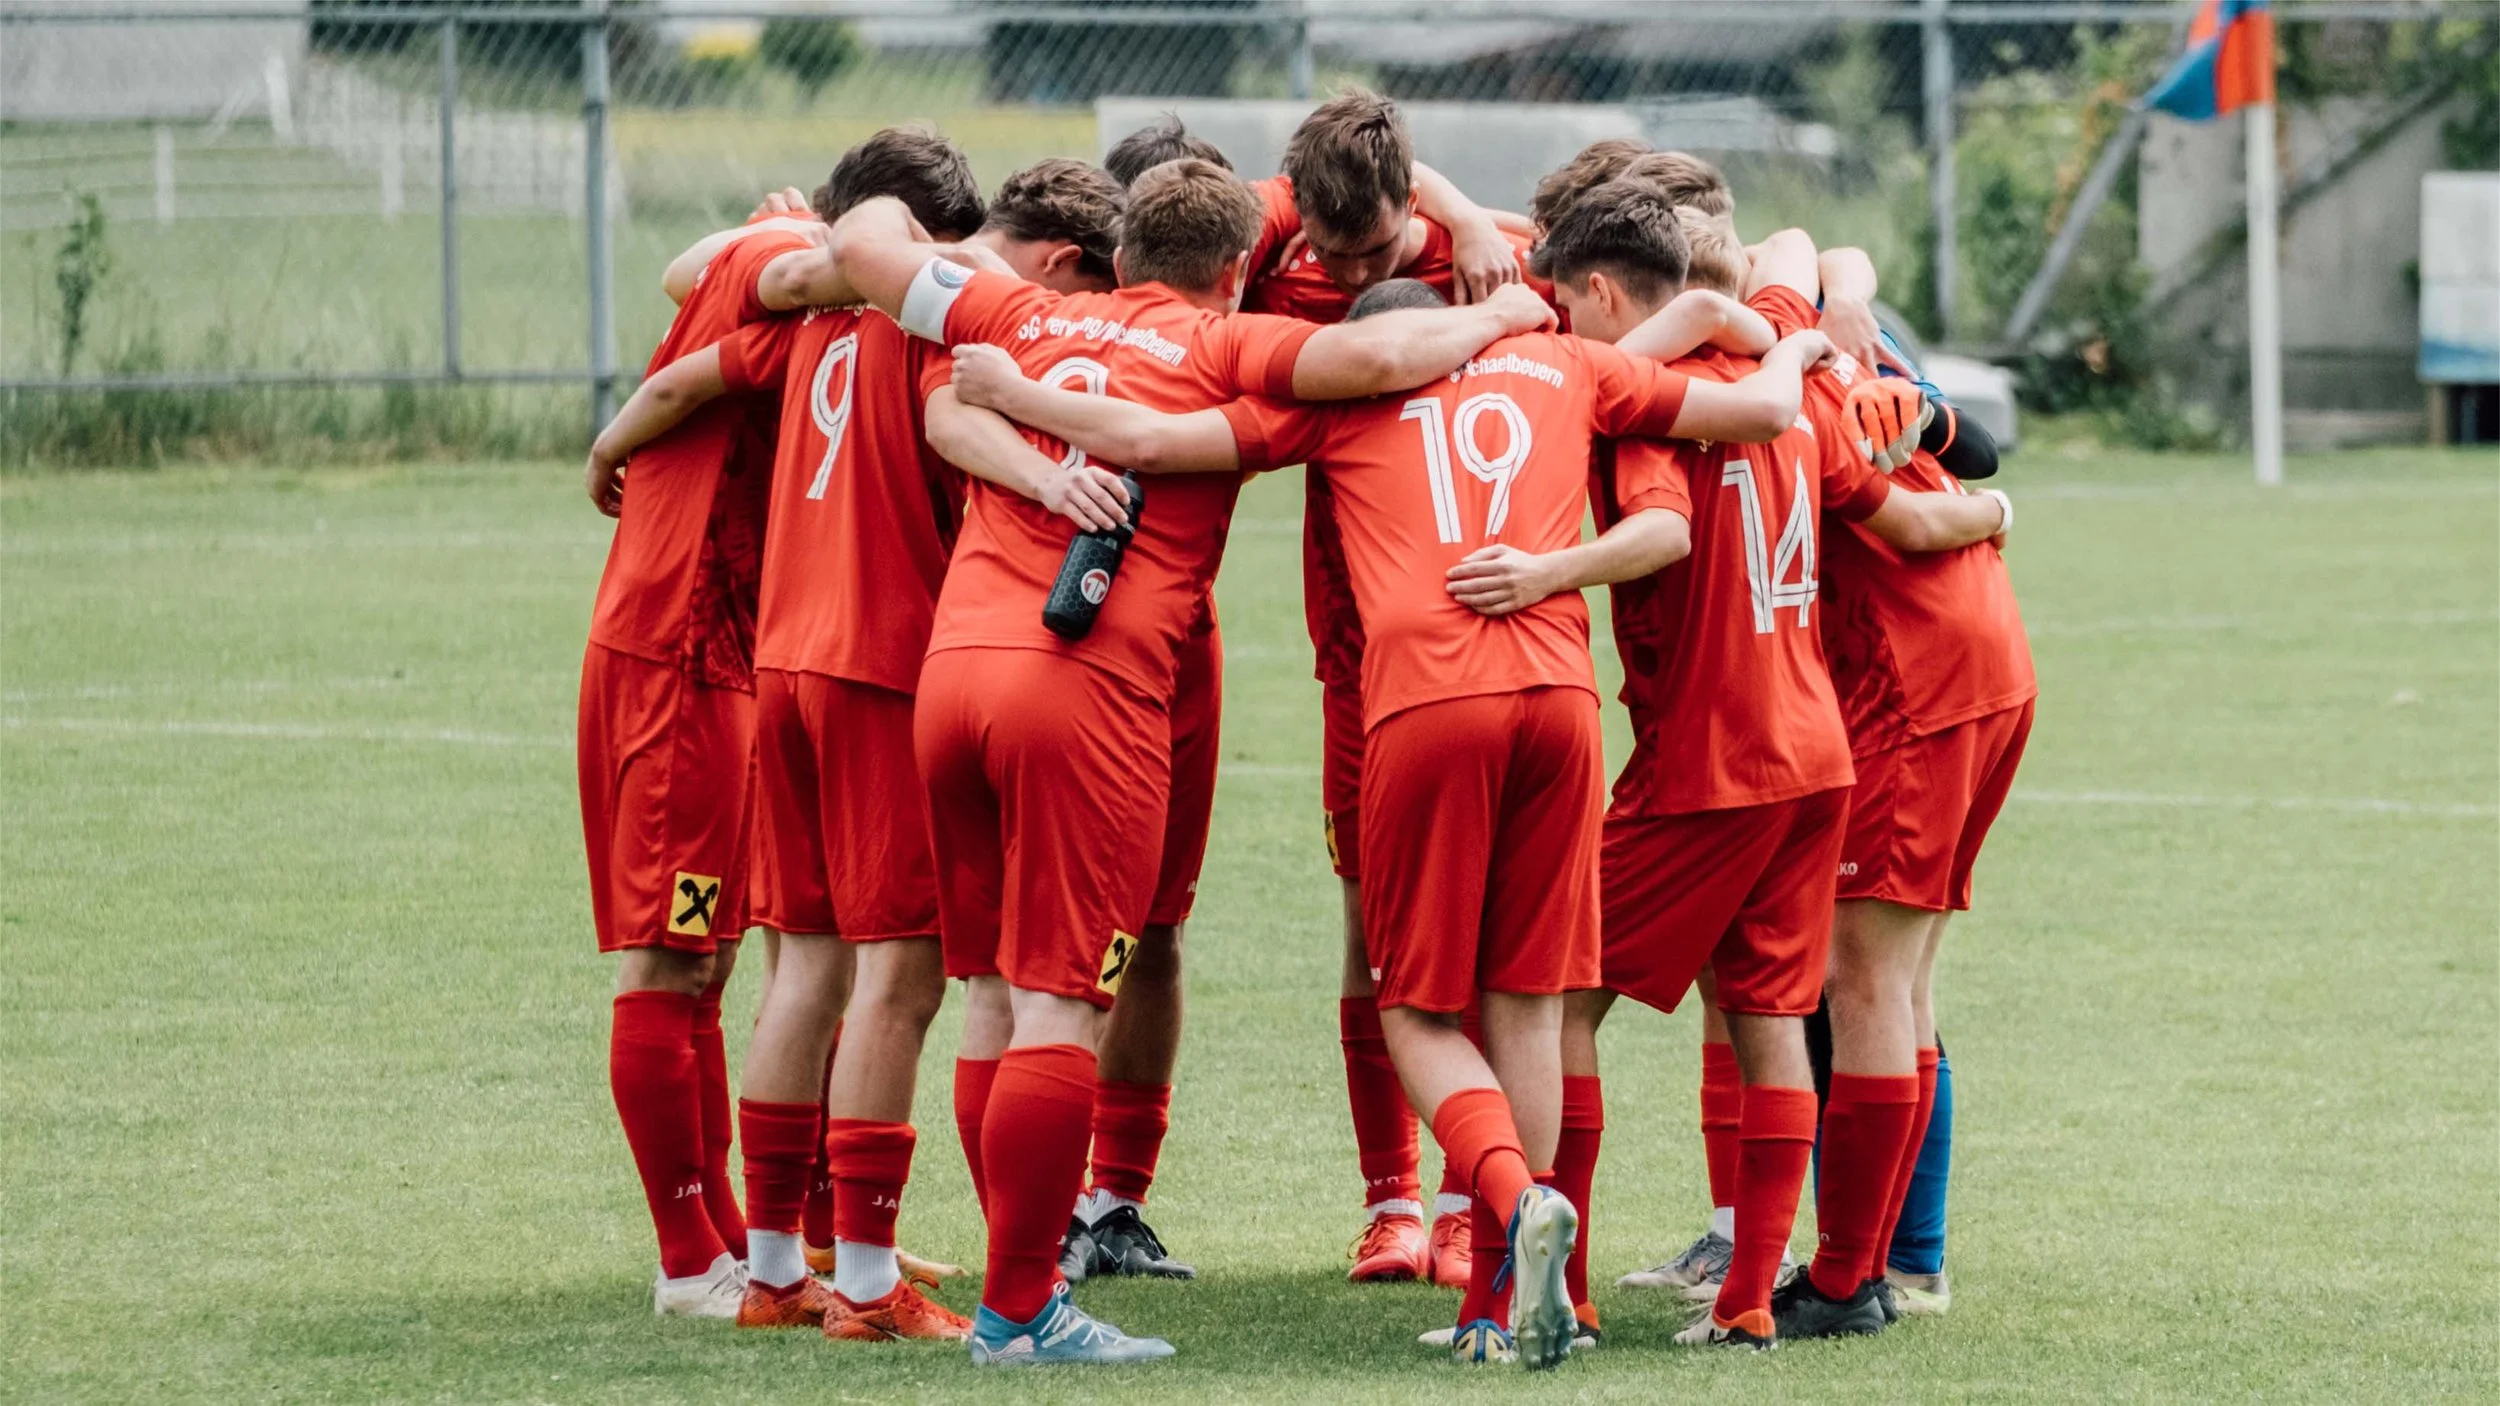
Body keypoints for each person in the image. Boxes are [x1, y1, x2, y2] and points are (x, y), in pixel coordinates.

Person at [947, 265, 1829, 1367]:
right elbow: (1758, 407)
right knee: (1525, 1001)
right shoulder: (1571, 362)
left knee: (1414, 1008)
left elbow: (1155, 441)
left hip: (1426, 705)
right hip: (1560, 703)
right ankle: (1495, 1310)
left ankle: (1510, 1197)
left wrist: (1012, 396)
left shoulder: (1345, 407)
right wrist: (1799, 345)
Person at [814, 159, 1558, 1366]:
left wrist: (1024, 427)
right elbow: (1373, 361)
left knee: (996, 993)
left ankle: (1032, 1263)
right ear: (1231, 274)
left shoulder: (1011, 310)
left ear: (1117, 254)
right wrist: (1505, 309)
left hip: (952, 682)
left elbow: (860, 241)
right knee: (1059, 996)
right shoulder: (1225, 346)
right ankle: (1019, 1311)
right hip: (1083, 688)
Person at [593, 146, 1130, 1340]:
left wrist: (608, 441)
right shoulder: (948, 318)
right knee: (902, 974)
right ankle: (872, 1285)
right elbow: (952, 430)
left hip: (779, 661)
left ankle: (781, 1265)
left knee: (805, 967)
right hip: (880, 664)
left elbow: (697, 349)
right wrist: (1053, 481)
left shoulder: (821, 307)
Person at [1510, 179, 2011, 1349]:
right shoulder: (1792, 386)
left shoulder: (1649, 405)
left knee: (1553, 998)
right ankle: (1756, 1295)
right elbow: (1895, 502)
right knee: (1771, 1009)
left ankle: (1564, 1289)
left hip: (1716, 758)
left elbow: (1659, 514)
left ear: (1600, 290)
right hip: (1816, 749)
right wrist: (1988, 508)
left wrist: (1542, 570)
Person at [577, 182, 819, 1322]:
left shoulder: (776, 274)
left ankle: (722, 1232)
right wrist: (613, 437)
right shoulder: (800, 276)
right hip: (681, 646)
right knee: (670, 958)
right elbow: (685, 369)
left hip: (715, 645)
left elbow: (689, 274)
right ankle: (687, 1260)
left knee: (708, 956)